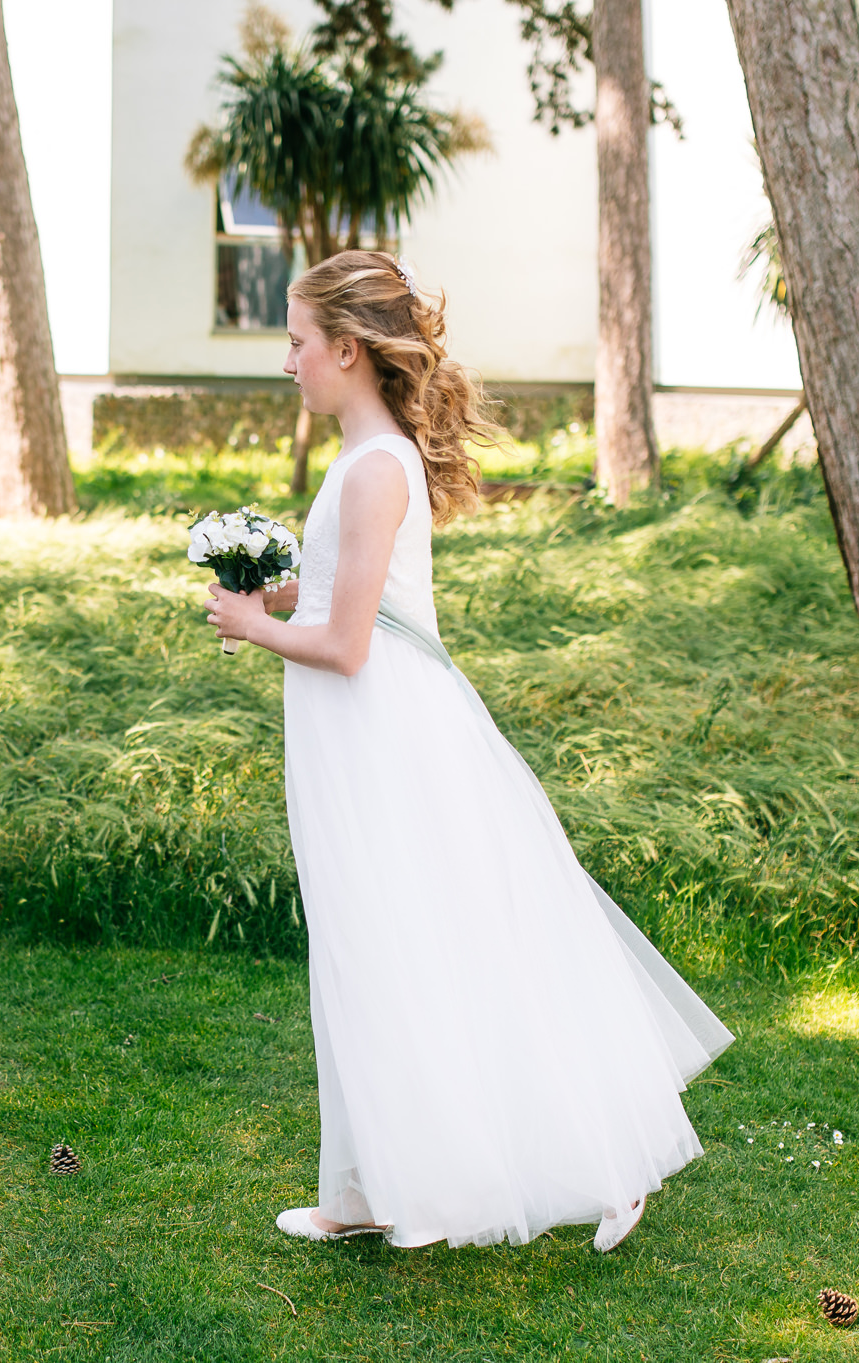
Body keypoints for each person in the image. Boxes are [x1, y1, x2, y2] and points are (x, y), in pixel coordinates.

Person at [204, 253, 733, 1252]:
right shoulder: (371, 457)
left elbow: (348, 645)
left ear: (347, 351)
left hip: (381, 737)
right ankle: (359, 1187)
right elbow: (351, 599)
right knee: (366, 948)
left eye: (297, 341)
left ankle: (603, 1158)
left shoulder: (370, 469)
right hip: (358, 735)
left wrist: (247, 622)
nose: (286, 361)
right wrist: (279, 591)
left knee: (417, 944)